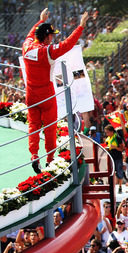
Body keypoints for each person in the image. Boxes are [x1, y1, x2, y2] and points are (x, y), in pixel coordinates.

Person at [22, 8, 89, 173]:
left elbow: (31, 34)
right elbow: (67, 44)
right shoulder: (47, 52)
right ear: (46, 37)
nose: (53, 38)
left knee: (33, 125)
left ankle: (34, 155)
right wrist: (80, 26)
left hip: (30, 93)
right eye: (51, 35)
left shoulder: (26, 46)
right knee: (50, 127)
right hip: (46, 93)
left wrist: (40, 20)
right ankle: (50, 159)